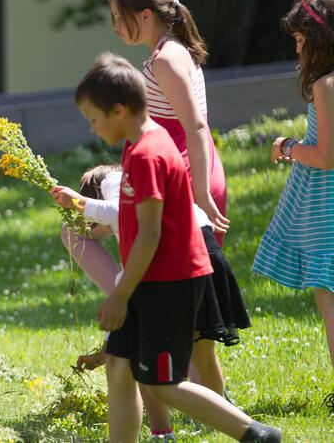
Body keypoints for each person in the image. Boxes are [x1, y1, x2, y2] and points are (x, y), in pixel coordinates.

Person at [73, 52, 280, 442]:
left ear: (118, 111)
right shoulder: (136, 146)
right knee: (119, 365)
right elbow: (132, 221)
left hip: (169, 281)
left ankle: (255, 434)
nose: (92, 127)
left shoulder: (150, 153)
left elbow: (151, 234)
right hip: (149, 280)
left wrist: (120, 294)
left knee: (164, 383)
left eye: (93, 118)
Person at [52, 164, 251, 440]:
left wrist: (82, 203)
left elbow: (123, 212)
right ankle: (219, 424)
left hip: (181, 262)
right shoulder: (145, 185)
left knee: (144, 353)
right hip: (205, 253)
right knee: (204, 355)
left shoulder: (112, 183)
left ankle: (164, 432)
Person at [252, 0, 334, 407]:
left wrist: (286, 147)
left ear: (321, 39)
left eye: (302, 39)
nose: (298, 49)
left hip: (328, 205)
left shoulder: (325, 85)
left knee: (330, 299)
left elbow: (325, 157)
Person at [108, 0, 229, 244]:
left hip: (186, 173)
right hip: (188, 168)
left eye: (120, 17)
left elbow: (195, 126)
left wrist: (201, 194)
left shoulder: (166, 59)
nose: (115, 26)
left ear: (145, 15)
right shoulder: (169, 50)